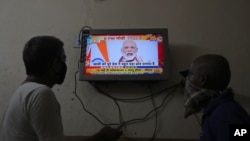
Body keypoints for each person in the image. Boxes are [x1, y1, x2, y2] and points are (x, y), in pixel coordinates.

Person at [0, 36, 122, 141]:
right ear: (54, 64)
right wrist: (102, 137)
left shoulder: (24, 90)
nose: (64, 65)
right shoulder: (41, 93)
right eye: (63, 59)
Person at [181, 54, 250, 141]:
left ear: (202, 79)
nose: (187, 80)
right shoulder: (216, 110)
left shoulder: (227, 114)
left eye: (190, 74)